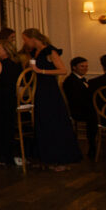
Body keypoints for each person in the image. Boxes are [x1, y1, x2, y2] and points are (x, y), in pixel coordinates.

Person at [21, 28, 82, 169]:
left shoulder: (50, 51)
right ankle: (45, 158)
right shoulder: (33, 52)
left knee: (53, 121)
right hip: (38, 89)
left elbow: (63, 70)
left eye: (25, 39)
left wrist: (40, 71)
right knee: (42, 122)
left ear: (32, 38)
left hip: (49, 90)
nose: (24, 43)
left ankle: (60, 159)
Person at [62, 56, 96, 158]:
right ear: (74, 67)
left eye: (86, 66)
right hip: (78, 111)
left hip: (85, 108)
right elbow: (77, 99)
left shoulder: (82, 79)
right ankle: (93, 146)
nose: (85, 68)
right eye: (82, 66)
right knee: (94, 117)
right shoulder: (70, 81)